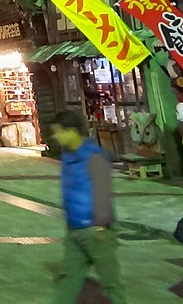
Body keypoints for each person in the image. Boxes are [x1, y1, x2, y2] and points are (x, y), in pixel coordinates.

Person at [49, 110, 126, 303]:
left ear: (72, 131)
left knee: (111, 282)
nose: (55, 137)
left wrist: (100, 225)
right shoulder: (68, 155)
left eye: (58, 132)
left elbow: (103, 190)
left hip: (96, 231)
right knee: (68, 279)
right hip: (75, 229)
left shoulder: (94, 156)